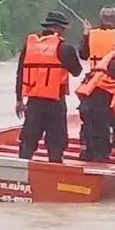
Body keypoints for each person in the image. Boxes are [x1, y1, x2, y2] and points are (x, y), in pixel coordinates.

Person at [15, 11, 83, 163]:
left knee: (28, 141)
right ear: (59, 28)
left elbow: (20, 72)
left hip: (33, 103)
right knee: (56, 144)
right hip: (55, 103)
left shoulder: (30, 45)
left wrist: (19, 100)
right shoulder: (64, 48)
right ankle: (54, 172)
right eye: (64, 29)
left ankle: (21, 170)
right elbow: (77, 71)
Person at [79, 6, 115, 148]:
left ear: (101, 18)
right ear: (114, 19)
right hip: (113, 81)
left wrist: (85, 33)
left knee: (90, 114)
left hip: (93, 82)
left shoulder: (91, 34)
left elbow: (82, 54)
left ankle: (86, 141)